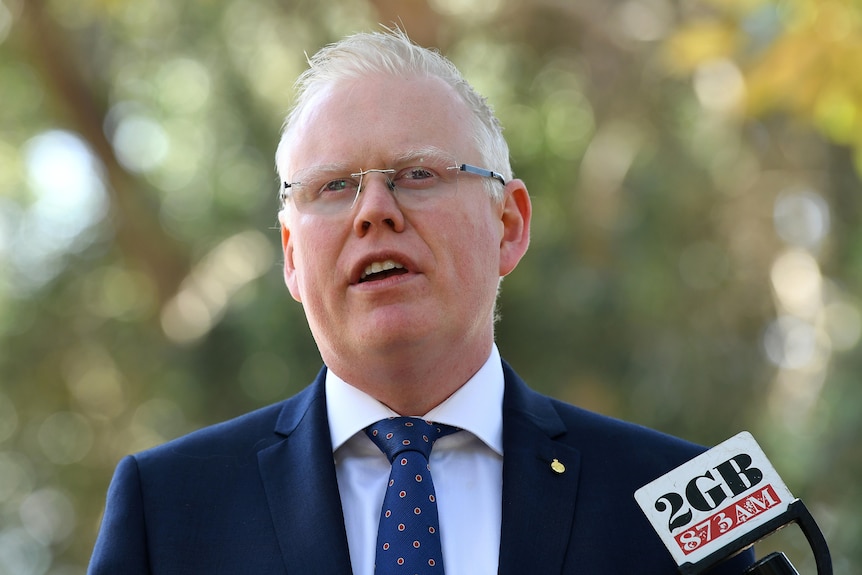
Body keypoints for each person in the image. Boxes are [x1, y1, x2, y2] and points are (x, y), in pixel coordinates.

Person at [89, 28, 754, 574]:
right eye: (333, 187)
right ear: (291, 254)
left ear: (509, 225)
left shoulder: (676, 497)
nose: (375, 211)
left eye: (417, 174)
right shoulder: (169, 510)